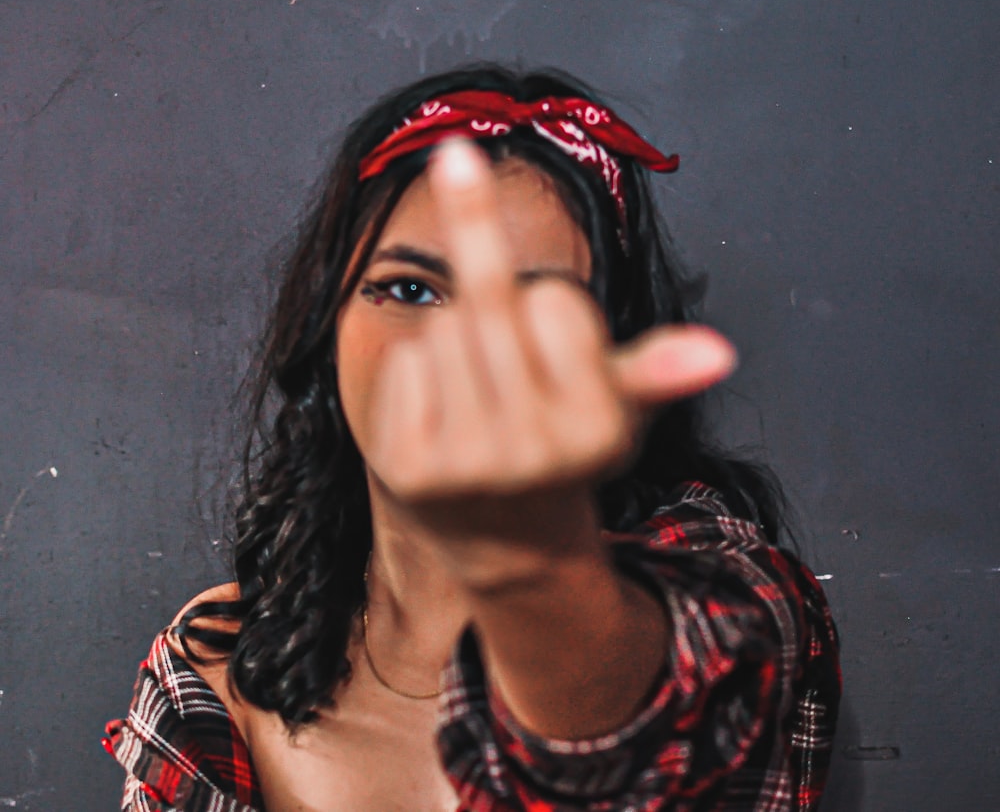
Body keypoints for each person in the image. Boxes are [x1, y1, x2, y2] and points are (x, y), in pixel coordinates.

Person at [104, 64, 840, 811]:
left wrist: (521, 551)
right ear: (326, 329)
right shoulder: (218, 672)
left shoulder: (725, 593)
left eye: (535, 303)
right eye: (410, 289)